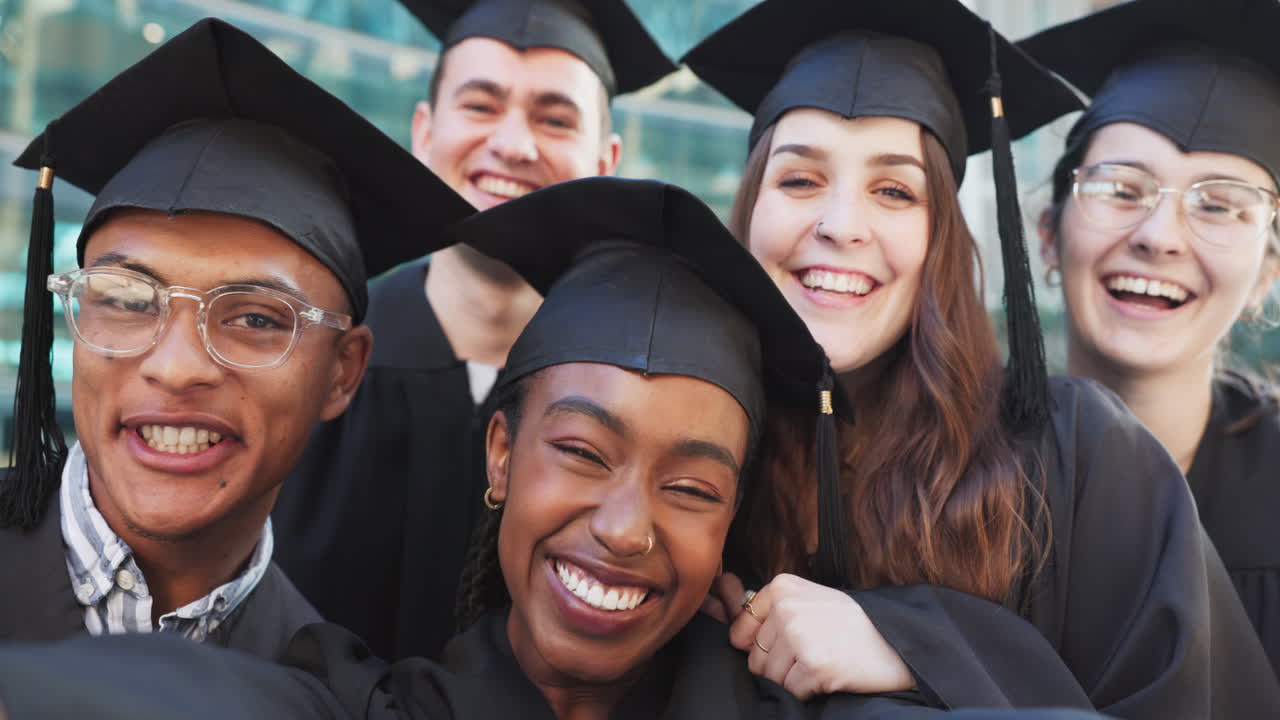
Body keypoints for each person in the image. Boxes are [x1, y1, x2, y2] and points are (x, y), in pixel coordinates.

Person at [0, 177, 1107, 720]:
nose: (625, 527)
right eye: (579, 452)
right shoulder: (375, 701)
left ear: (730, 525)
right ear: (497, 453)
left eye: (688, 485)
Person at [681, 0, 1280, 716]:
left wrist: (920, 646)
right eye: (798, 179)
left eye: (895, 189)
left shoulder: (1075, 460)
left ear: (942, 240)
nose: (840, 225)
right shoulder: (687, 457)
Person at [0, 18, 472, 660]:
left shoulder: (331, 697)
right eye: (130, 301)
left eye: (255, 318)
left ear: (342, 372)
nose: (175, 367)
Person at [271, 0, 678, 662]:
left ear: (606, 160)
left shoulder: (636, 397)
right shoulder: (313, 366)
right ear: (423, 131)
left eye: (553, 118)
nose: (514, 145)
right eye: (481, 106)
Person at [1021, 0, 1280, 677]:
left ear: (1266, 275)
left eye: (1220, 205)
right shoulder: (940, 472)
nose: (1158, 236)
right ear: (1049, 236)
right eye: (1120, 189)